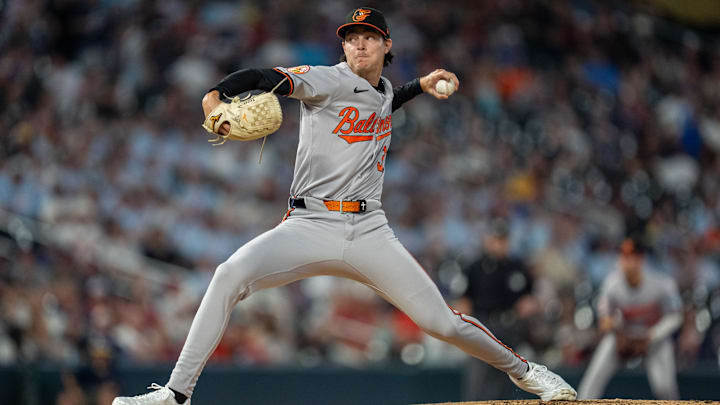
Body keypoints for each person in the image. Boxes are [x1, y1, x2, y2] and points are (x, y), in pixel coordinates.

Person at [113, 7, 576, 405]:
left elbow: (383, 102)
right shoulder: (327, 79)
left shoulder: (384, 91)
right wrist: (216, 94)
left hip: (369, 230)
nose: (357, 45)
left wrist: (422, 84)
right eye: (351, 38)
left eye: (367, 38)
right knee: (227, 275)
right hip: (308, 223)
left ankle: (527, 372)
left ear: (385, 44)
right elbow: (265, 77)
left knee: (442, 323)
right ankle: (175, 394)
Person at [577, 237, 683, 399]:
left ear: (642, 260)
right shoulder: (612, 283)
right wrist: (617, 333)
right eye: (624, 256)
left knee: (665, 388)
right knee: (593, 378)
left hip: (654, 338)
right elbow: (604, 320)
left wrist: (652, 336)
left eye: (633, 256)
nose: (628, 262)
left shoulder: (662, 283)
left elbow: (676, 316)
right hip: (623, 336)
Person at [458, 218, 537, 400]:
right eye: (497, 239)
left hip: (510, 327)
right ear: (488, 240)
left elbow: (530, 298)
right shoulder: (475, 267)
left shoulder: (516, 267)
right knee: (478, 381)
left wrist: (527, 305)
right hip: (483, 326)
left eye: (504, 239)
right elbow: (463, 301)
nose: (500, 244)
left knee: (507, 383)